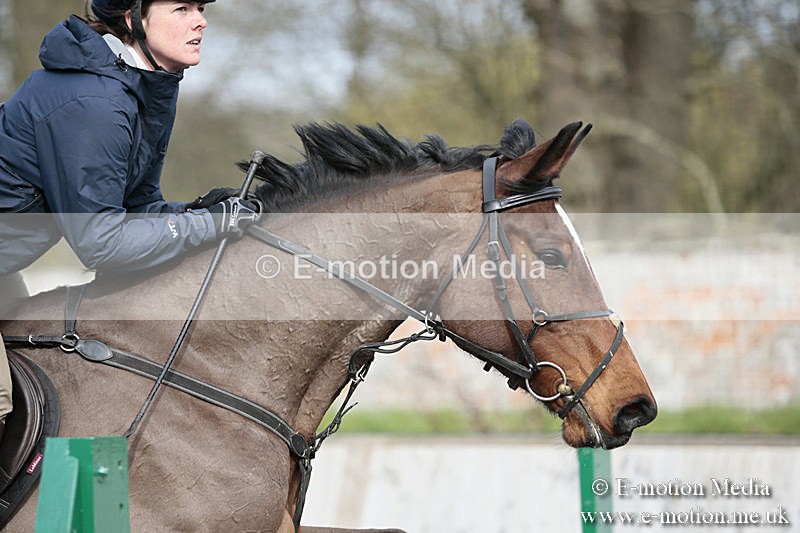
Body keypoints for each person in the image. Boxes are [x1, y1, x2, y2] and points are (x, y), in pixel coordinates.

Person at [0, 0, 261, 442]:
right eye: (180, 8)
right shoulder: (94, 100)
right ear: (132, 19)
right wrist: (210, 225)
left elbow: (138, 208)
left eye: (199, 8)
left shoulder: (138, 88)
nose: (200, 21)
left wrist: (200, 211)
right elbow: (101, 243)